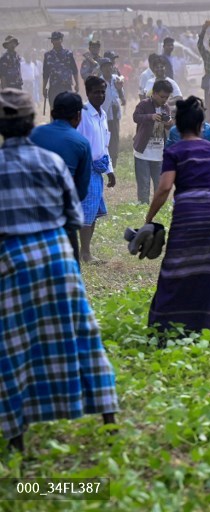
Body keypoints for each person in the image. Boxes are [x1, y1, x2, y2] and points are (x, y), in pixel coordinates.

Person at [0, 88, 118, 453]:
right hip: (55, 255)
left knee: (12, 345)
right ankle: (108, 419)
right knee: (81, 334)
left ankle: (17, 437)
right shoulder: (50, 162)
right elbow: (72, 215)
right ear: (31, 122)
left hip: (12, 261)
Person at [145, 96, 210, 332]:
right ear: (201, 125)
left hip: (189, 215)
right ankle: (205, 326)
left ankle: (166, 327)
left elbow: (165, 187)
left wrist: (148, 218)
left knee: (175, 269)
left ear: (177, 124)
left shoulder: (174, 151)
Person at [29, 92, 91, 263]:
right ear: (78, 116)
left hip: (29, 213)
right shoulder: (81, 143)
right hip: (61, 215)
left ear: (52, 112)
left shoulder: (33, 134)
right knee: (70, 269)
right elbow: (81, 191)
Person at [77, 77, 117, 264]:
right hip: (84, 170)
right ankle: (85, 253)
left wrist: (109, 170)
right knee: (86, 211)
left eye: (103, 91)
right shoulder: (82, 114)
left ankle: (85, 251)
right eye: (96, 92)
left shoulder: (102, 114)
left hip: (98, 170)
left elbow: (104, 145)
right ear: (88, 92)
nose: (100, 95)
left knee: (92, 212)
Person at [133, 80, 174, 204]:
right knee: (144, 183)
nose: (164, 100)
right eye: (162, 97)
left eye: (167, 97)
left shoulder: (166, 107)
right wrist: (150, 117)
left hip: (159, 152)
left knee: (159, 182)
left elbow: (168, 126)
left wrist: (169, 123)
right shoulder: (144, 104)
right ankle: (143, 205)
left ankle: (158, 205)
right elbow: (135, 117)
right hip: (143, 152)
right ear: (154, 93)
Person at [42, 31, 79, 105]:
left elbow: (74, 70)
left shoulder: (68, 54)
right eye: (54, 39)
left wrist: (77, 84)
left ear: (61, 40)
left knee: (67, 111)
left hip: (66, 87)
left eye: (58, 39)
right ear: (51, 41)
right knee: (54, 111)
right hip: (54, 87)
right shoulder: (48, 55)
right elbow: (45, 74)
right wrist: (43, 88)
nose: (56, 41)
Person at [99, 58, 125, 166]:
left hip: (115, 112)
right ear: (101, 68)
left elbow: (123, 99)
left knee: (115, 136)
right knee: (104, 136)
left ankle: (113, 160)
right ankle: (105, 158)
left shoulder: (116, 79)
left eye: (109, 66)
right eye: (105, 66)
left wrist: (119, 89)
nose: (108, 68)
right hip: (103, 113)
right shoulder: (99, 82)